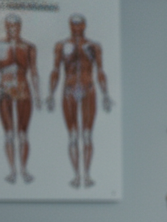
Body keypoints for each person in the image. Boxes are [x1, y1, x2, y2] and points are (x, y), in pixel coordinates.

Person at [47, 13, 112, 188]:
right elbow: (55, 71)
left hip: (88, 89)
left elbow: (100, 71)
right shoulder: (61, 46)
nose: (76, 28)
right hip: (68, 90)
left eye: (79, 25)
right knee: (73, 135)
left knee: (87, 134)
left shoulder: (93, 46)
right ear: (69, 25)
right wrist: (51, 94)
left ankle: (88, 175)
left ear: (84, 26)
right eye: (73, 25)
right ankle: (77, 175)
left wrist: (105, 94)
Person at [0, 13, 39, 184]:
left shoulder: (29, 47)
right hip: (4, 90)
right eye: (8, 26)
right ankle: (12, 171)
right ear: (5, 27)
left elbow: (34, 72)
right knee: (8, 133)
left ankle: (24, 169)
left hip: (24, 89)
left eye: (15, 26)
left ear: (20, 27)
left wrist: (38, 94)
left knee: (23, 133)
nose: (11, 29)